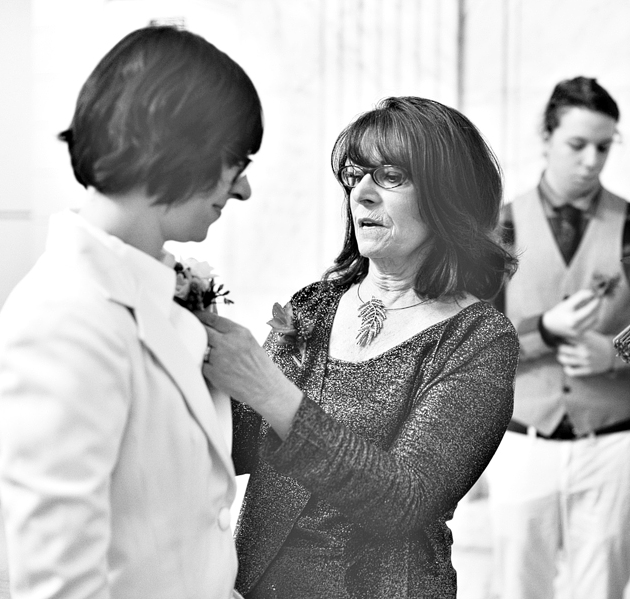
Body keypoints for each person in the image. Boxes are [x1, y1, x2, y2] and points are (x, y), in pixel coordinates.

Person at [196, 96, 519, 598]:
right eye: (353, 175)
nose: (361, 194)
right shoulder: (315, 306)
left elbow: (404, 499)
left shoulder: (478, 339)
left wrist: (268, 389)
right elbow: (240, 444)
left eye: (390, 175)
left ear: (448, 195)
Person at [0, 26, 261, 599]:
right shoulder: (62, 322)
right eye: (237, 160)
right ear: (181, 146)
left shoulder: (160, 293)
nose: (244, 189)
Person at [488, 76, 630, 599]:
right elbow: (472, 346)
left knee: (603, 588)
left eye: (603, 147)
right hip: (521, 441)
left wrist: (614, 352)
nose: (591, 161)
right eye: (577, 145)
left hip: (610, 442)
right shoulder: (499, 226)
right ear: (545, 138)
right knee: (519, 588)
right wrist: (544, 329)